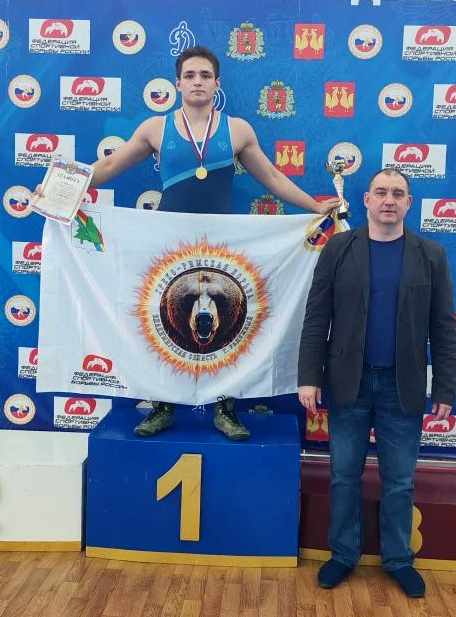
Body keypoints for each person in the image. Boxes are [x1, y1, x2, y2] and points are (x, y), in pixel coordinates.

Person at [84, 45, 340, 441]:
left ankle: (226, 408)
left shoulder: (238, 130)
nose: (197, 82)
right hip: (168, 244)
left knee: (229, 324)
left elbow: (272, 177)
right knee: (163, 319)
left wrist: (314, 206)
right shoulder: (156, 128)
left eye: (205, 75)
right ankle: (162, 405)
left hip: (222, 246)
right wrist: (64, 187)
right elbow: (111, 164)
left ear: (217, 83)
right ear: (178, 83)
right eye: (190, 75)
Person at [297, 168, 456, 597]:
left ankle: (399, 559)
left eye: (398, 194)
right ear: (366, 200)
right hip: (348, 382)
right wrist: (309, 376)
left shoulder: (432, 255)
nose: (389, 200)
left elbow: (444, 328)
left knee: (400, 480)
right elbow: (317, 316)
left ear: (409, 203)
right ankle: (343, 554)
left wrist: (445, 387)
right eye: (381, 192)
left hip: (402, 386)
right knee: (343, 475)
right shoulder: (338, 249)